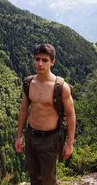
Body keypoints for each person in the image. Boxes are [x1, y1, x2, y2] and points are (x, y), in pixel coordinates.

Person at [15, 43, 76, 185]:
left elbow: (71, 115)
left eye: (45, 60)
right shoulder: (28, 83)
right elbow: (24, 110)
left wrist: (70, 143)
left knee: (48, 179)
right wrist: (19, 136)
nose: (40, 64)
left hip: (50, 139)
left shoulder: (61, 87)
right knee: (33, 177)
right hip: (31, 136)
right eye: (37, 59)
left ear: (52, 62)